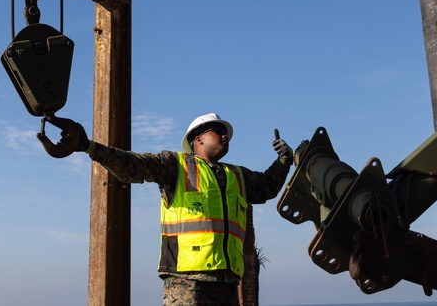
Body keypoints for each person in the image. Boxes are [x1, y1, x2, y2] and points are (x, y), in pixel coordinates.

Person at [37, 112, 295, 306]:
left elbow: (267, 187)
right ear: (198, 139)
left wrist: (284, 160)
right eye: (218, 131)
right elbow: (132, 165)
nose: (225, 136)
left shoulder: (237, 175)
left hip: (227, 284)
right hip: (186, 283)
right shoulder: (176, 165)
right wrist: (88, 146)